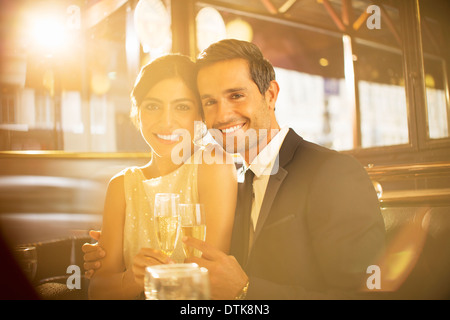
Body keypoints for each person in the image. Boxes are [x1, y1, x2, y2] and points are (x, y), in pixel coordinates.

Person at [84, 40, 386, 300]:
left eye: (236, 96)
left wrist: (246, 291)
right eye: (210, 102)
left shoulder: (332, 173)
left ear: (270, 95)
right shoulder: (240, 182)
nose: (223, 114)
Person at [87, 54, 237, 300]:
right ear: (138, 113)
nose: (166, 121)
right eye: (153, 106)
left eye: (182, 107)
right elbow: (97, 292)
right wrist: (133, 278)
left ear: (199, 115)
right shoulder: (121, 185)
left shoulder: (213, 164)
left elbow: (212, 280)